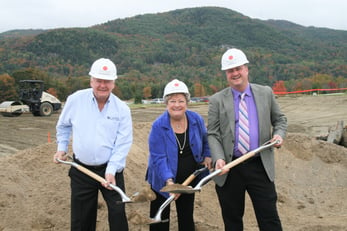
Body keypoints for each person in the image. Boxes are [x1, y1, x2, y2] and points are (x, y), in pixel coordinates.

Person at [208, 48, 287, 231]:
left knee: (269, 218)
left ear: (246, 69)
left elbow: (280, 120)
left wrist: (279, 135)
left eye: (238, 68)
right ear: (226, 74)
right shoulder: (217, 100)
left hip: (260, 164)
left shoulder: (265, 93)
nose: (235, 73)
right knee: (232, 220)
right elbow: (212, 133)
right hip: (230, 167)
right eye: (230, 70)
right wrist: (219, 158)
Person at [53, 58, 133, 231]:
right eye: (99, 80)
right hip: (81, 170)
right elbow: (64, 126)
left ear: (113, 83)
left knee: (118, 216)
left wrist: (111, 170)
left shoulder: (122, 109)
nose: (102, 85)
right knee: (82, 220)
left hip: (111, 170)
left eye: (107, 81)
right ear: (91, 81)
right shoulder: (75, 100)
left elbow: (123, 143)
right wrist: (61, 148)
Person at [146, 79, 212, 231]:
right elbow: (159, 158)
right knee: (160, 219)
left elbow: (206, 139)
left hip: (188, 179)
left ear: (187, 102)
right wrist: (169, 182)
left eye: (181, 100)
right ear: (166, 103)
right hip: (163, 181)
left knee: (186, 218)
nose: (177, 105)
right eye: (172, 101)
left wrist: (207, 155)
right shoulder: (158, 126)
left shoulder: (196, 119)